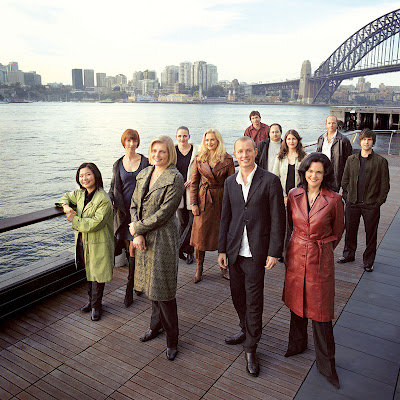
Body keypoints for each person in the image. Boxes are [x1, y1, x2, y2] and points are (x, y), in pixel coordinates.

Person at [218, 136, 285, 377]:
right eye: (240, 152)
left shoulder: (270, 181)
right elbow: (225, 218)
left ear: (255, 152)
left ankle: (251, 348)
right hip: (235, 251)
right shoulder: (229, 183)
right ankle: (244, 329)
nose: (244, 155)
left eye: (248, 151)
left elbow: (279, 219)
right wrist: (222, 249)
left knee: (254, 301)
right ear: (235, 154)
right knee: (238, 297)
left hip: (257, 253)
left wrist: (274, 252)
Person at [282, 152, 344, 389]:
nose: (314, 175)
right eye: (310, 171)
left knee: (320, 312)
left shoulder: (335, 199)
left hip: (320, 257)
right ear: (303, 172)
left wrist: (323, 250)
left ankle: (327, 366)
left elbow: (338, 231)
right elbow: (290, 224)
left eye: (319, 171)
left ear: (325, 173)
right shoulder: (293, 194)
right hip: (296, 254)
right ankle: (296, 345)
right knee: (296, 304)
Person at [129, 135, 184, 361]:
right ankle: (156, 326)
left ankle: (173, 339)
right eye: (154, 151)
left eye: (162, 152)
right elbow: (134, 204)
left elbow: (164, 213)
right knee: (150, 287)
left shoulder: (175, 178)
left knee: (163, 288)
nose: (157, 156)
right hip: (144, 237)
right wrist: (139, 233)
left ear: (169, 153)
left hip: (163, 239)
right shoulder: (144, 173)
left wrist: (138, 229)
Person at [60, 163, 114, 321]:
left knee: (98, 274)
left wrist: (73, 219)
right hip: (84, 241)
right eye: (81, 176)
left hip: (99, 242)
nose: (84, 178)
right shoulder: (80, 194)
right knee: (89, 272)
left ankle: (97, 306)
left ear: (96, 175)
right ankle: (91, 302)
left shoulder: (103, 198)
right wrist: (65, 207)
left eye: (88, 174)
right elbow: (65, 196)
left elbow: (95, 223)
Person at [338, 129, 390, 272]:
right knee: (350, 230)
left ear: (373, 142)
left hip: (371, 204)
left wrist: (378, 202)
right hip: (352, 202)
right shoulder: (351, 159)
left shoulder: (381, 161)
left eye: (369, 140)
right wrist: (347, 196)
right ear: (359, 141)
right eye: (364, 139)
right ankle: (348, 254)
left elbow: (385, 185)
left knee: (371, 233)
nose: (366, 142)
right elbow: (345, 180)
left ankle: (368, 261)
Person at [109, 129, 149, 308]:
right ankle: (137, 281)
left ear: (138, 143)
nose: (131, 144)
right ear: (123, 142)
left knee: (135, 247)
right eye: (128, 141)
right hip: (123, 212)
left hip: (140, 212)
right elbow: (113, 189)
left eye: (134, 141)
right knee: (128, 247)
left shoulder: (146, 162)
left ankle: (130, 286)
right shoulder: (118, 164)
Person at [190, 128, 235, 283]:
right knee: (200, 236)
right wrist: (194, 203)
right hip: (204, 200)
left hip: (222, 199)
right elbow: (194, 182)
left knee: (222, 233)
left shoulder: (227, 159)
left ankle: (223, 267)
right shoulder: (199, 158)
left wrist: (233, 206)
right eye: (207, 140)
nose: (209, 142)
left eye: (212, 140)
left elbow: (232, 184)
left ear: (218, 141)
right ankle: (199, 269)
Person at [175, 126, 199, 265]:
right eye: (179, 136)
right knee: (182, 222)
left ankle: (183, 248)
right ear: (176, 137)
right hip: (179, 191)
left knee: (192, 222)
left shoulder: (197, 151)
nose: (182, 139)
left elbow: (202, 168)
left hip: (192, 190)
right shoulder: (173, 151)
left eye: (185, 136)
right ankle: (186, 251)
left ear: (189, 137)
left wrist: (193, 180)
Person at [316, 115, 353, 192]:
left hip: (335, 174)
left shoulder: (343, 140)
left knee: (332, 196)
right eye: (329, 123)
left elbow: (349, 161)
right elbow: (317, 155)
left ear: (337, 124)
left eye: (333, 123)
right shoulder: (321, 138)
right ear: (326, 124)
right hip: (322, 171)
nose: (331, 125)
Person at [272, 129, 307, 206]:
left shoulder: (304, 157)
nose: (291, 141)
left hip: (300, 195)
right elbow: (275, 178)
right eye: (289, 139)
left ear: (298, 140)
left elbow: (306, 178)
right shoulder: (279, 157)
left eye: (294, 139)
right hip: (283, 195)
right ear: (285, 141)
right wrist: (284, 195)